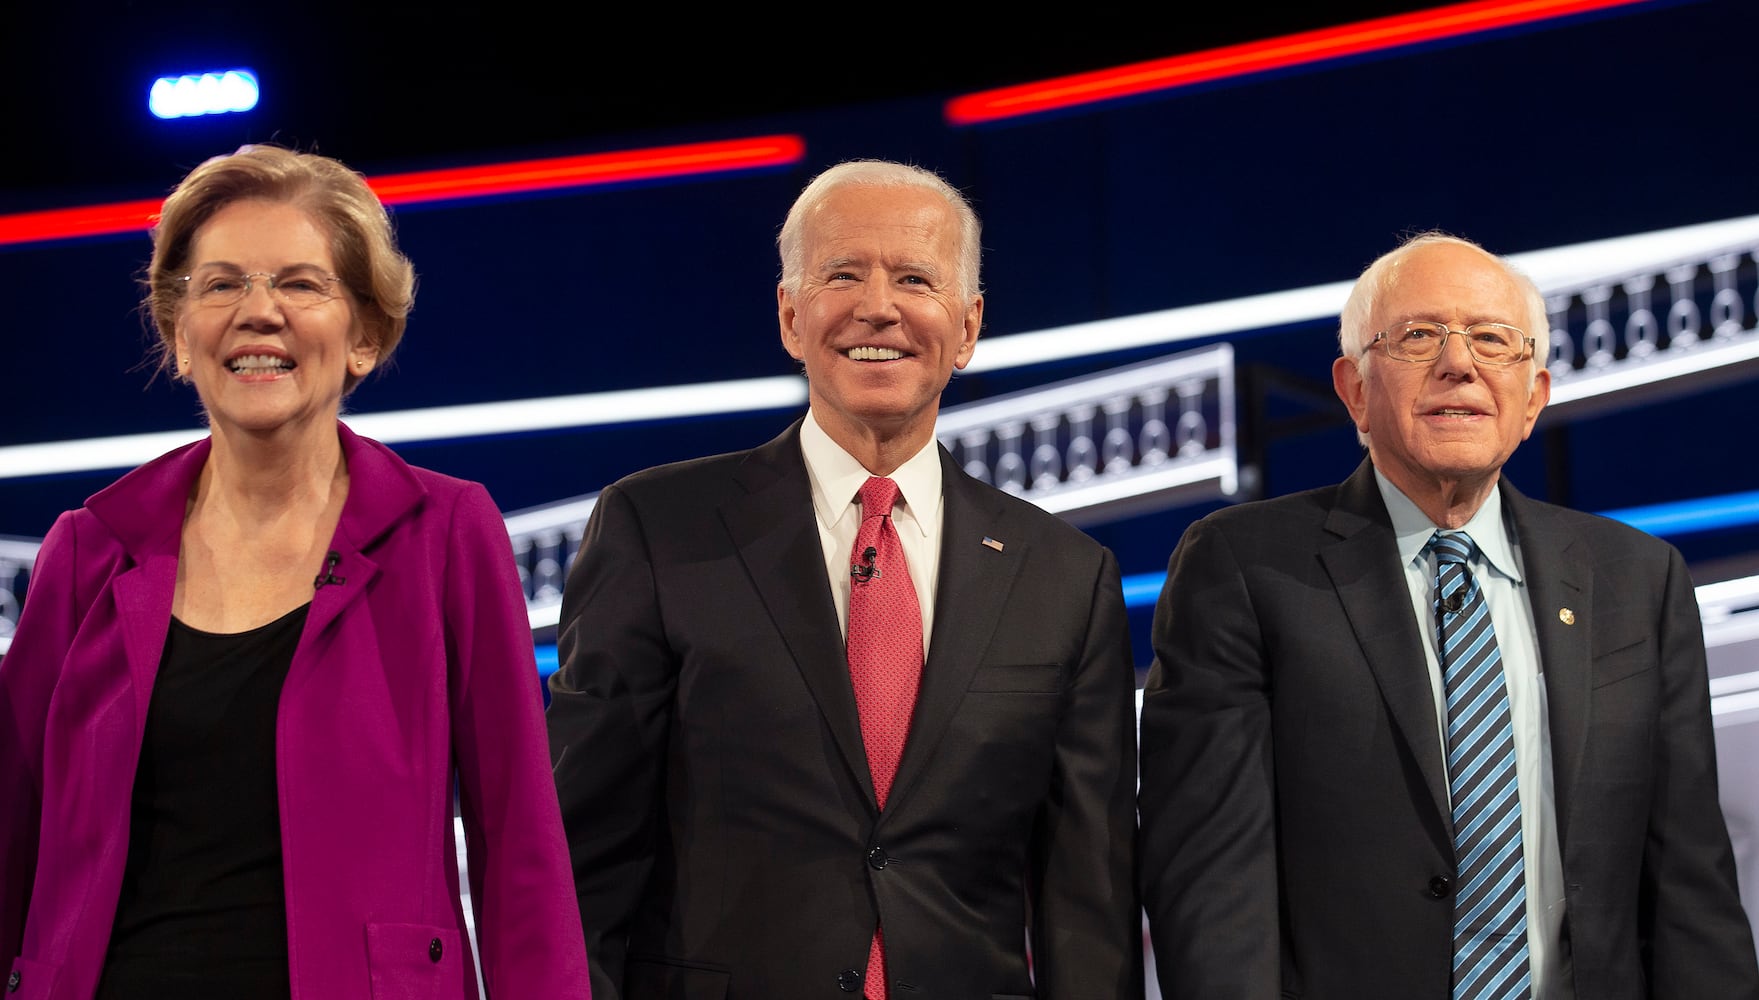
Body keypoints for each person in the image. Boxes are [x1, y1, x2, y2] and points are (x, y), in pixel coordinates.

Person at [0, 145, 589, 999]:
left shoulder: (446, 535)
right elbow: (12, 840)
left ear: (363, 336)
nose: (259, 312)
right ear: (178, 333)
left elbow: (519, 846)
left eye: (301, 284)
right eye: (222, 284)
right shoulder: (89, 551)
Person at [546, 159, 1142, 999]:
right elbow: (582, 851)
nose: (877, 307)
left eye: (914, 279)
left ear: (966, 327)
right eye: (842, 274)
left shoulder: (1066, 577)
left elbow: (1087, 895)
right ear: (791, 316)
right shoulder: (658, 529)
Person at [1137, 232, 1759, 998]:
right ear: (1354, 389)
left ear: (1533, 398)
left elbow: (1689, 883)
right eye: (1418, 336)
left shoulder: (1637, 578)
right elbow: (1207, 881)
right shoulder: (1242, 565)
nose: (1458, 363)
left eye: (1493, 340)